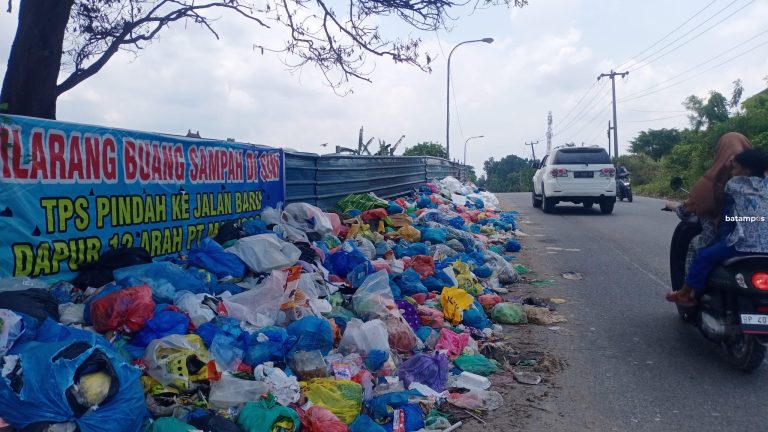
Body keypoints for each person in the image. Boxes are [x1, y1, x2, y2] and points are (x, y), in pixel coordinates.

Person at [667, 149, 768, 305]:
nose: (732, 171)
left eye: (735, 167)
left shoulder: (734, 184)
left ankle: (685, 293)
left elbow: (722, 213)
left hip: (742, 245)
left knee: (704, 257)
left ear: (746, 170)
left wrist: (728, 162)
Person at [664, 133, 754, 272]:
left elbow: (687, 208)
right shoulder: (760, 180)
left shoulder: (711, 183)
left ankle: (688, 291)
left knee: (697, 246)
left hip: (726, 241)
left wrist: (672, 206)